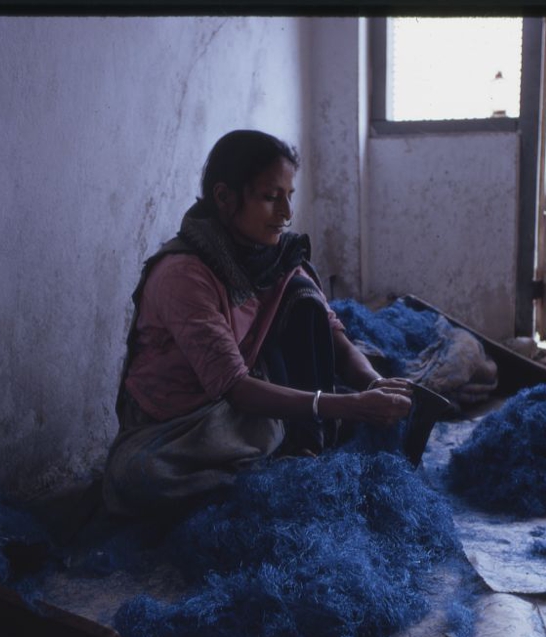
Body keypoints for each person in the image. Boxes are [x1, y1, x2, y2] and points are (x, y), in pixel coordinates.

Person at [102, 130, 413, 518]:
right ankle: (277, 453)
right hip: (182, 425)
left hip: (252, 404)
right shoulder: (184, 274)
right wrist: (349, 406)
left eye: (289, 196)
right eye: (270, 197)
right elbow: (236, 388)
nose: (285, 213)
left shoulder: (277, 256)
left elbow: (335, 336)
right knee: (137, 475)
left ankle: (291, 444)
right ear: (224, 198)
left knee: (302, 294)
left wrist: (372, 383)